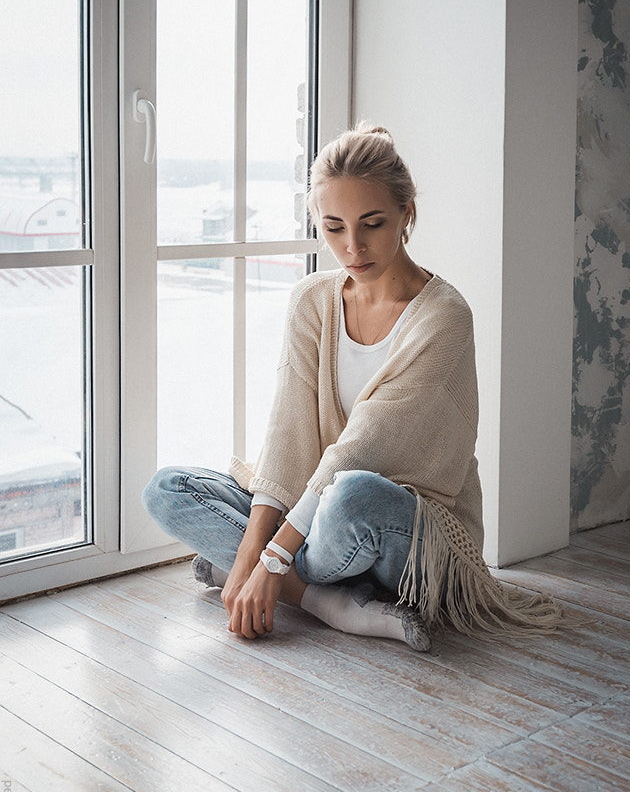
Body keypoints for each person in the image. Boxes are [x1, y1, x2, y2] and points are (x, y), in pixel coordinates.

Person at [142, 123, 565, 650]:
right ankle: (328, 600)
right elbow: (288, 434)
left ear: (407, 213)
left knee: (352, 494)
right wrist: (254, 547)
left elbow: (361, 449)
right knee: (167, 489)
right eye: (333, 227)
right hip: (316, 514)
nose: (352, 247)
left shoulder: (444, 318)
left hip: (398, 525)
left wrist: (270, 559)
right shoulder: (311, 300)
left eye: (372, 224)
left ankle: (279, 579)